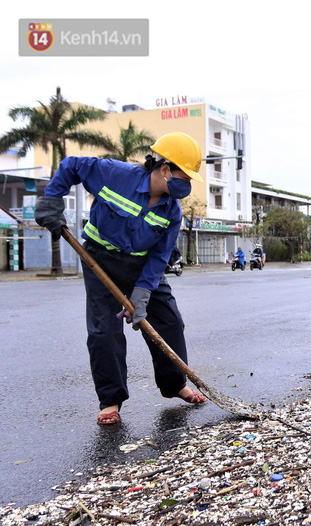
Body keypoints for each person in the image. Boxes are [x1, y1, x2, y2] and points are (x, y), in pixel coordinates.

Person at [32, 131, 208, 425]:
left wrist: (142, 293)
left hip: (142, 267)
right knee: (105, 330)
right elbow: (72, 165)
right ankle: (111, 400)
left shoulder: (172, 211)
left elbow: (160, 255)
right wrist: (52, 199)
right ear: (164, 169)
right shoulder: (115, 174)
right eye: (185, 176)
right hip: (99, 259)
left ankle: (174, 385)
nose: (187, 184)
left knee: (170, 321)